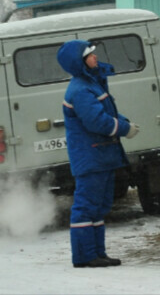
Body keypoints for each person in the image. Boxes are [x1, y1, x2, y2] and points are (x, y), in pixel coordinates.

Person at [57, 39, 140, 269]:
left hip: (100, 156)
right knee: (86, 206)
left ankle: (96, 253)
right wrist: (124, 128)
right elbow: (97, 121)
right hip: (90, 158)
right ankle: (84, 255)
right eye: (90, 55)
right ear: (80, 62)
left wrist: (124, 121)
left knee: (100, 205)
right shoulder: (81, 90)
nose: (96, 57)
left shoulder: (90, 83)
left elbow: (106, 112)